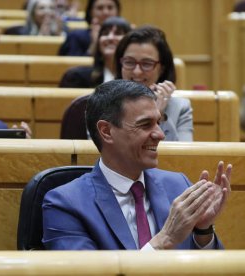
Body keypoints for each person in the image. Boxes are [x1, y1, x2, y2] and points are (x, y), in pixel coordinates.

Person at [43, 79, 232, 250]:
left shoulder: (178, 186)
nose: (160, 134)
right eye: (145, 124)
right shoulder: (65, 204)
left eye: (158, 122)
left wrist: (203, 231)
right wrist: (164, 240)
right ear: (106, 131)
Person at [115, 25, 193, 141]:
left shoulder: (180, 108)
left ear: (162, 69)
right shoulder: (101, 103)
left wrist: (158, 116)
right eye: (129, 62)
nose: (137, 71)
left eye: (146, 64)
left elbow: (180, 157)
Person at [59, 16, 131, 88]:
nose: (110, 38)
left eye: (118, 33)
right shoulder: (76, 77)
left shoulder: (135, 79)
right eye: (105, 33)